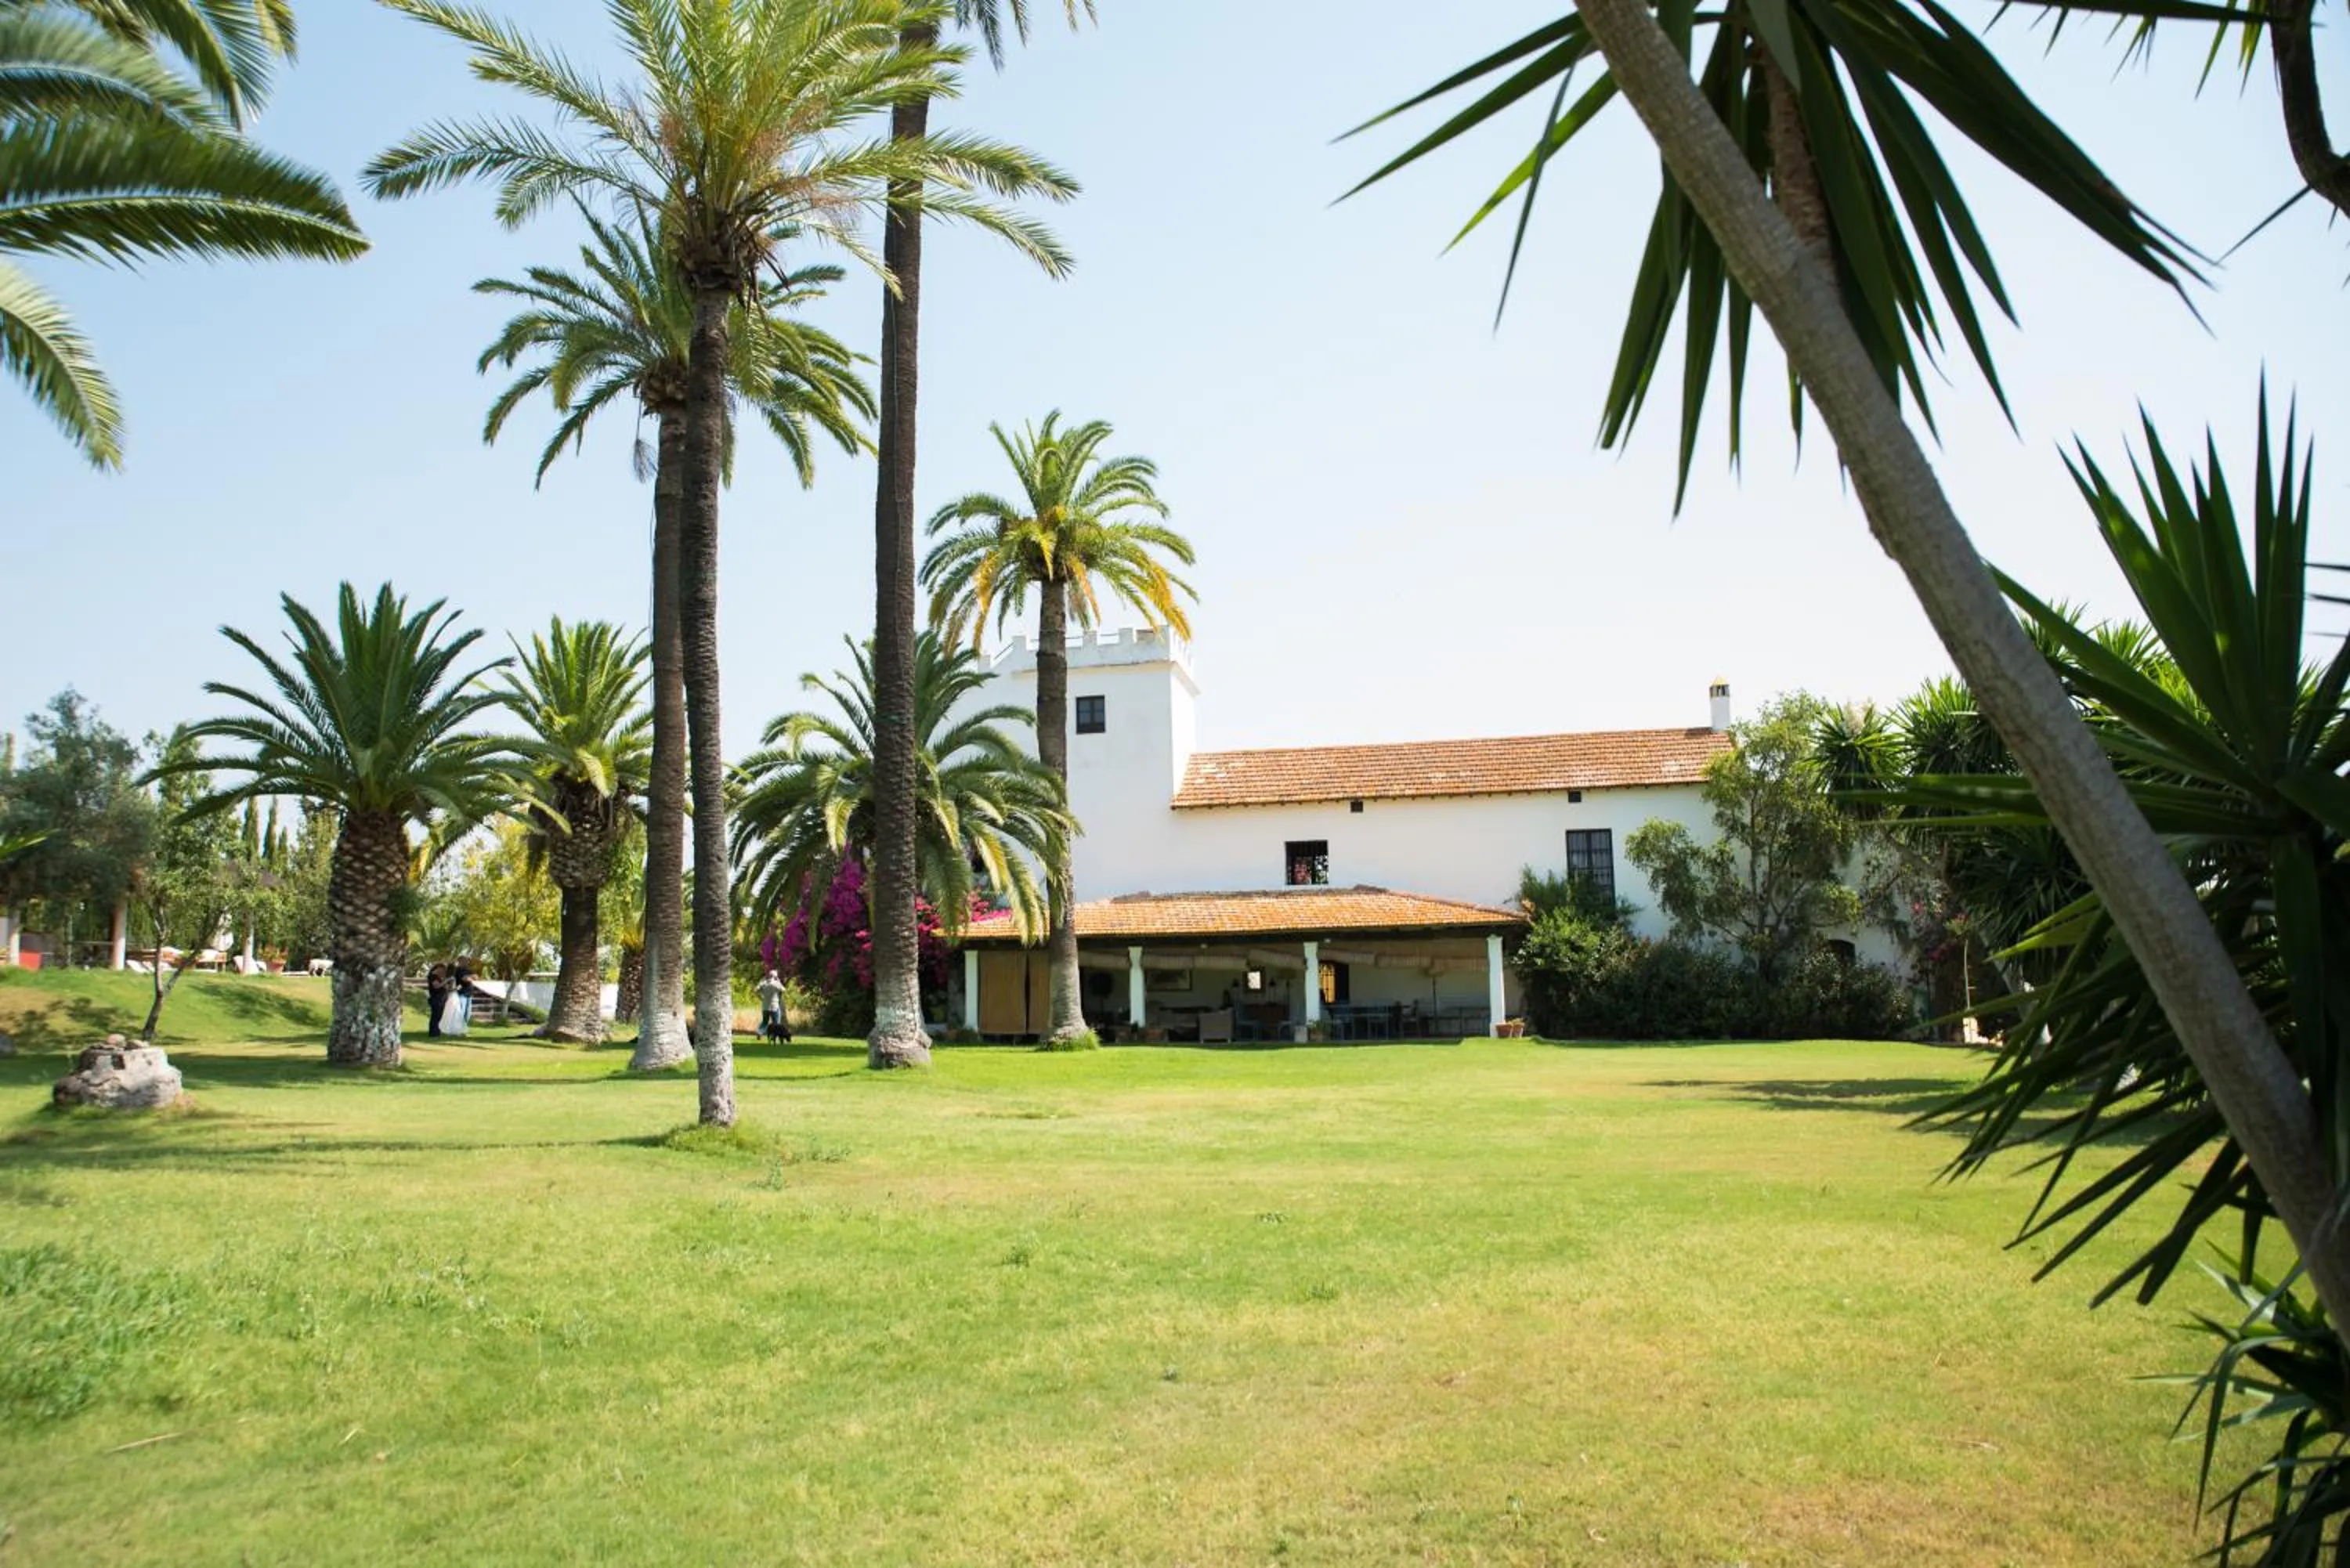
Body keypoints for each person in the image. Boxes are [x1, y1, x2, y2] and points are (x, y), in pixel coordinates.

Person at [756, 969, 790, 1044]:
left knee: (765, 1022)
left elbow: (756, 990)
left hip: (765, 1006)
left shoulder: (764, 983)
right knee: (777, 1024)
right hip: (775, 1006)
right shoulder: (776, 984)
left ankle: (759, 1032)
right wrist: (779, 982)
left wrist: (760, 997)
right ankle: (774, 1036)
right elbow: (784, 990)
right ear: (775, 976)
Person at [444, 957, 473, 1038]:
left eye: (467, 961)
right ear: (460, 962)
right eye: (465, 961)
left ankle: (463, 1030)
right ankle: (458, 1030)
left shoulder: (469, 970)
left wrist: (471, 978)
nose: (467, 962)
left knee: (468, 1014)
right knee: (461, 1013)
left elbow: (475, 977)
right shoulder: (458, 971)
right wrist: (470, 978)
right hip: (461, 994)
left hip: (469, 994)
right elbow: (464, 980)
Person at [426, 963, 449, 1038]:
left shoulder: (439, 977)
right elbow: (436, 986)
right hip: (436, 998)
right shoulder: (433, 976)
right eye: (442, 970)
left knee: (439, 1015)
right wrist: (446, 981)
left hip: (441, 998)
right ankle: (433, 1033)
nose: (443, 972)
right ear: (438, 968)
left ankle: (437, 1031)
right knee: (435, 1016)